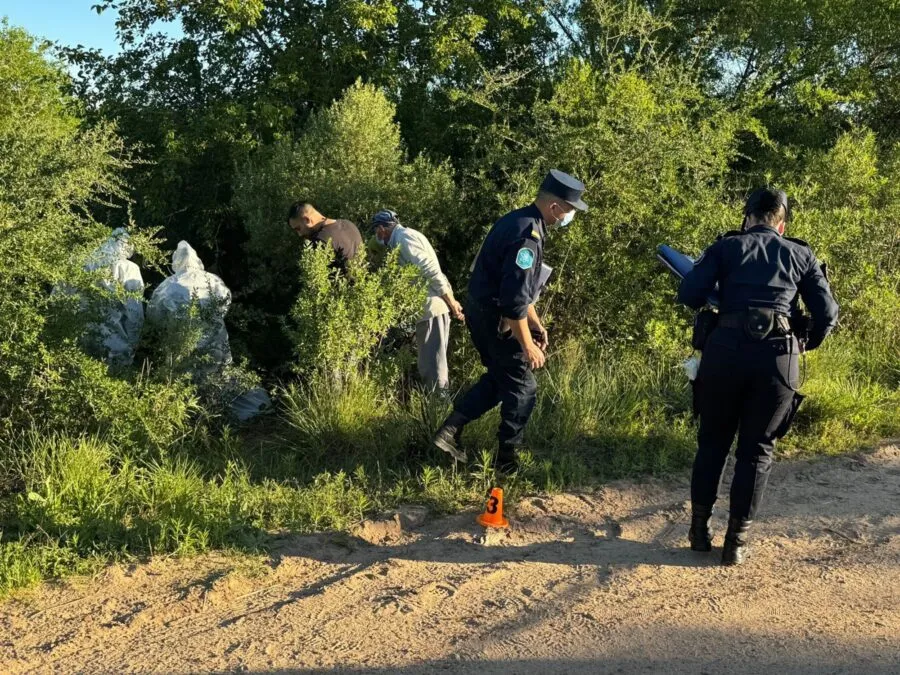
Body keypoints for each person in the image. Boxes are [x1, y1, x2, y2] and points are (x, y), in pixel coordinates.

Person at [677, 187, 839, 565]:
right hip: (778, 359)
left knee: (713, 442)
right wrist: (804, 344)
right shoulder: (801, 254)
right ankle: (736, 543)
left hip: (725, 353)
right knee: (758, 450)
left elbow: (689, 294)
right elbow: (828, 314)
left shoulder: (726, 247)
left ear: (747, 218)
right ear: (781, 224)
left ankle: (699, 532)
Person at [431, 169, 588, 474]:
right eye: (569, 211)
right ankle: (507, 460)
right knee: (523, 388)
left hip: (484, 313)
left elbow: (522, 293)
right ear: (555, 207)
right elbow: (514, 300)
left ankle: (450, 431)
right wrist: (528, 345)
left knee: (501, 377)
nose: (569, 217)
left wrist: (537, 325)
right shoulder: (527, 238)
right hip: (496, 319)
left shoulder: (519, 220)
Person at [371, 209, 465, 391]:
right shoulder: (403, 236)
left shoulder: (404, 238)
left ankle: (440, 413)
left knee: (433, 368)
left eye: (376, 231)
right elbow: (374, 244)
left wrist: (452, 301)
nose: (376, 236)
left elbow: (430, 270)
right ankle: (438, 409)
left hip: (431, 307)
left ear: (381, 229)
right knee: (430, 365)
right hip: (429, 309)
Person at [286, 201, 363, 269]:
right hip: (366, 282)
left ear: (307, 220)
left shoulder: (319, 241)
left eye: (298, 228)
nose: (299, 234)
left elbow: (317, 278)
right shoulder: (348, 223)